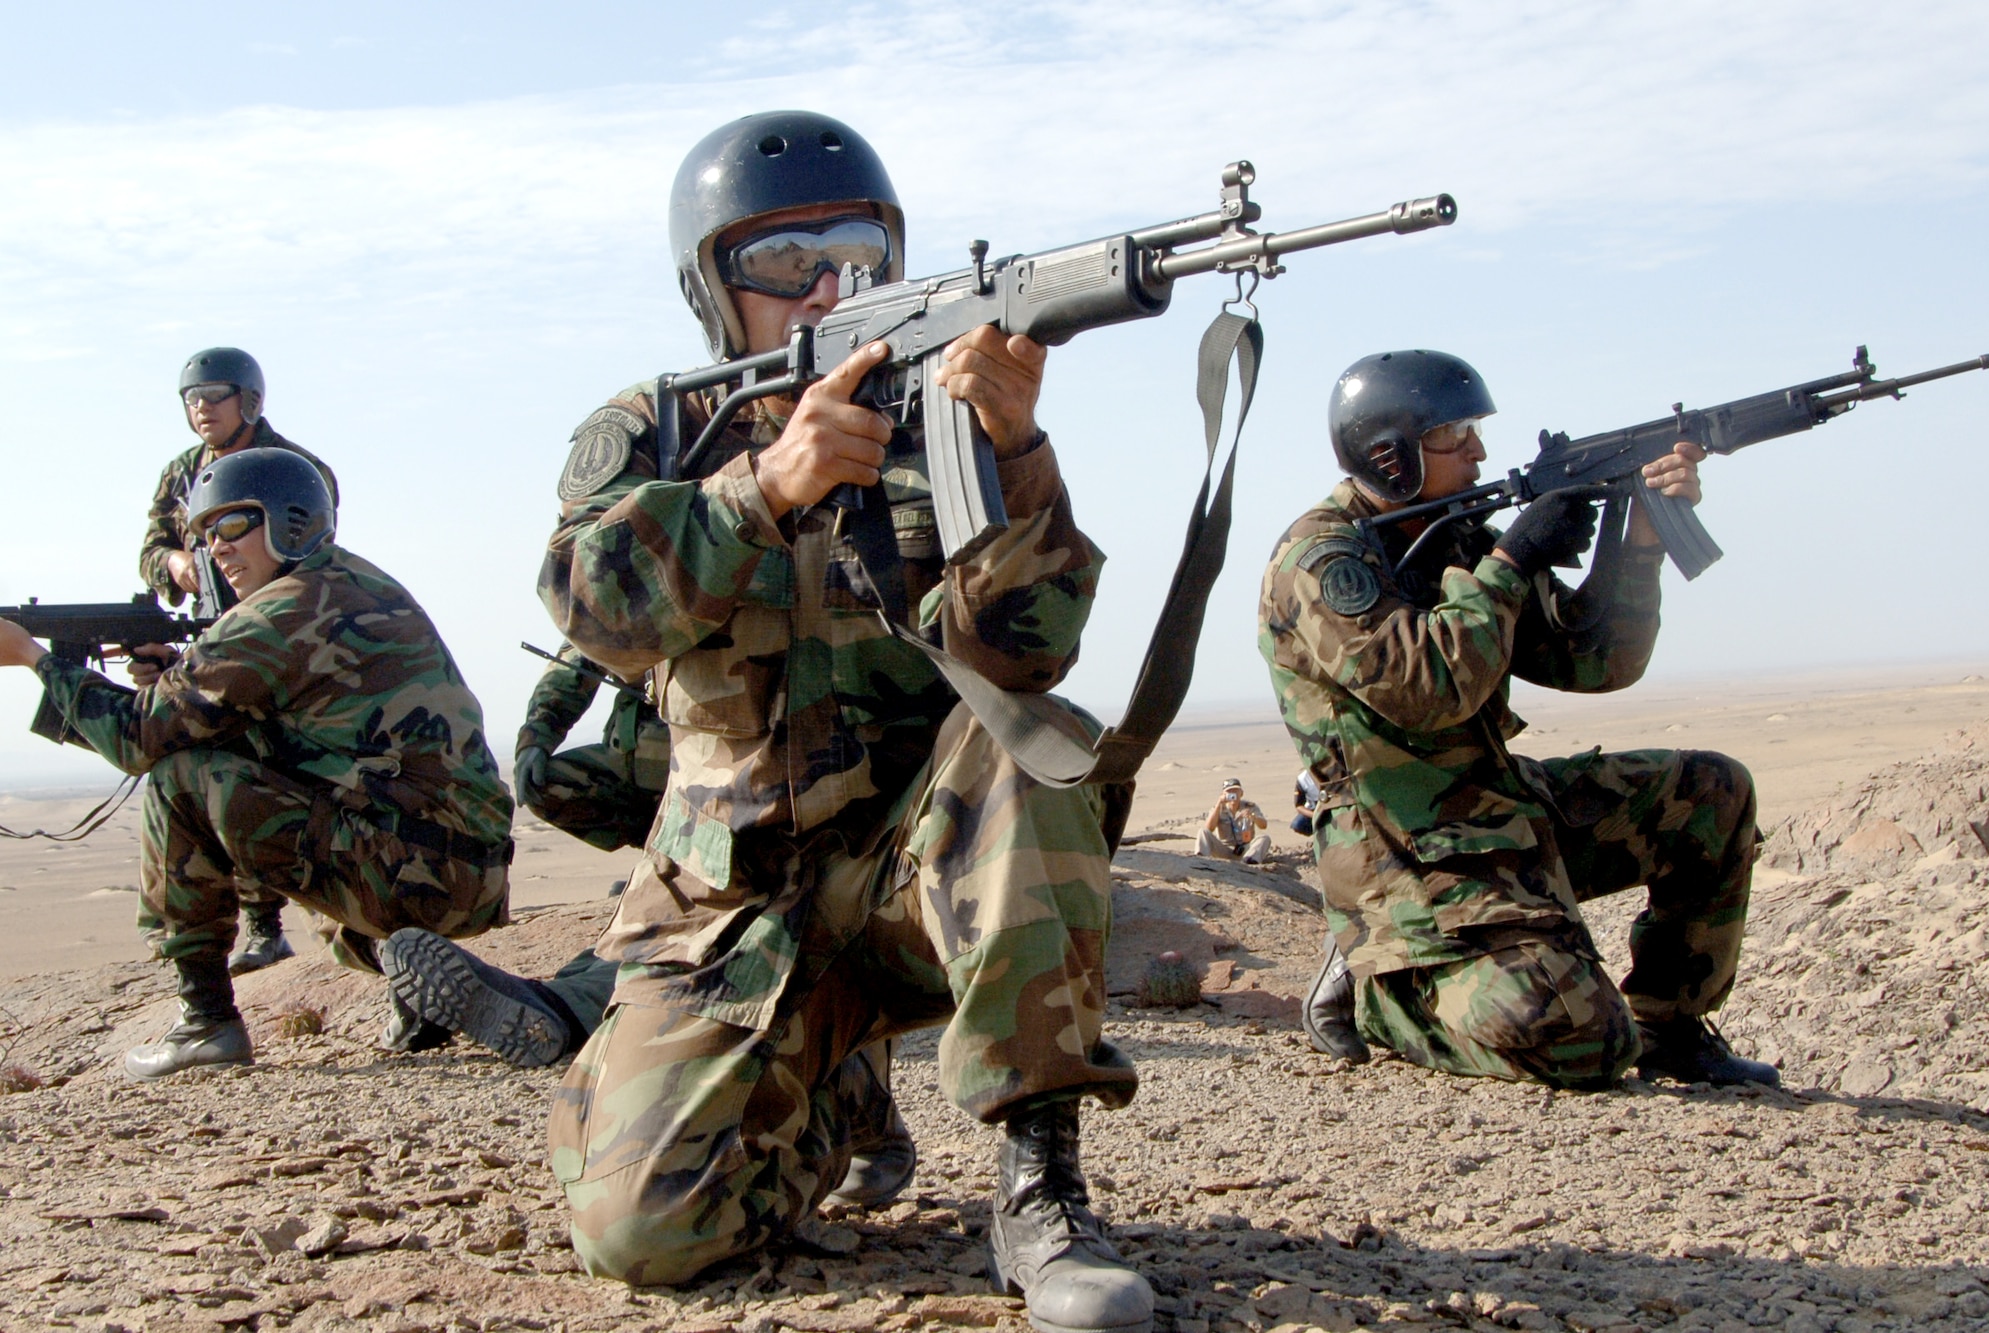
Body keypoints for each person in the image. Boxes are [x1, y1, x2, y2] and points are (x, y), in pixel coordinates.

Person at [390, 111, 1149, 1329]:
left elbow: (1028, 649)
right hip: (732, 906)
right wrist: (763, 490)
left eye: (854, 251)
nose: (824, 288)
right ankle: (821, 1083)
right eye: (781, 266)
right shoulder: (655, 428)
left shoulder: (940, 418)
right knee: (643, 1233)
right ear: (712, 288)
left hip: (918, 872)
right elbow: (593, 605)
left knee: (1034, 742)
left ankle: (1040, 1185)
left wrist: (1018, 452)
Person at [1259, 349, 1777, 1091]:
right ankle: (1383, 994)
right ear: (1391, 457)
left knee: (1713, 793)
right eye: (1455, 433)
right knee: (1581, 1038)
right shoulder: (1322, 558)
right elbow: (1429, 686)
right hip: (1402, 849)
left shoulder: (1453, 534)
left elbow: (1595, 662)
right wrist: (1510, 559)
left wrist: (1641, 539)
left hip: (1498, 811)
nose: (1478, 450)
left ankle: (1672, 1025)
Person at [0, 448, 512, 1080]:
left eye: (232, 526)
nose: (217, 548)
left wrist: (34, 659)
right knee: (238, 764)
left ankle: (205, 1022)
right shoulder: (353, 581)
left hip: (415, 875)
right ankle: (419, 984)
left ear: (289, 522)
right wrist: (174, 681)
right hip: (464, 873)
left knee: (180, 777)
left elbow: (140, 739)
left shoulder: (280, 610)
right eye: (207, 535)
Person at [140, 347, 341, 975]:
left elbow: (316, 548)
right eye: (191, 399)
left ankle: (287, 922)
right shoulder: (180, 472)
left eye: (214, 396)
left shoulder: (293, 466)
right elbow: (150, 548)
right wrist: (174, 565)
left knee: (275, 760)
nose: (201, 408)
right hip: (210, 631)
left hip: (283, 633)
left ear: (249, 401)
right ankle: (251, 927)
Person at [514, 642, 671, 855]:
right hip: (634, 763)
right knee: (541, 782)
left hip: (713, 765)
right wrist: (537, 736)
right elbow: (580, 653)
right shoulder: (625, 612)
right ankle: (657, 851)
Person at [1196, 778, 1272, 864]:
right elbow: (1209, 828)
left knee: (1264, 838)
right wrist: (1219, 804)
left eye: (1236, 791)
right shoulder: (1218, 808)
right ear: (1223, 794)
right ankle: (1201, 860)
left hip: (1245, 849)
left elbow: (1263, 825)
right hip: (1224, 849)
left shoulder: (1250, 807)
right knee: (1202, 832)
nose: (1233, 794)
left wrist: (1253, 817)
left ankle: (1249, 861)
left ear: (1241, 793)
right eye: (1229, 791)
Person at [1292, 769, 1322, 837]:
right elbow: (1298, 805)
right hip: (1315, 809)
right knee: (1298, 825)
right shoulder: (1303, 779)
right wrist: (1315, 815)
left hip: (1335, 805)